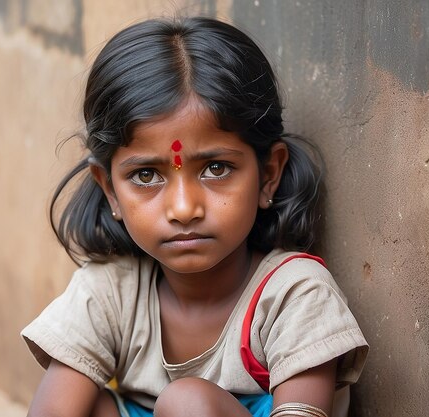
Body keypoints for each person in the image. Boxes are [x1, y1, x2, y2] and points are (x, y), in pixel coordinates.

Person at [22, 16, 368, 417]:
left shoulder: (294, 295)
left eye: (216, 169)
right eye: (146, 175)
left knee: (186, 404)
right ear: (110, 190)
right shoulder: (110, 292)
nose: (184, 208)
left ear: (268, 174)